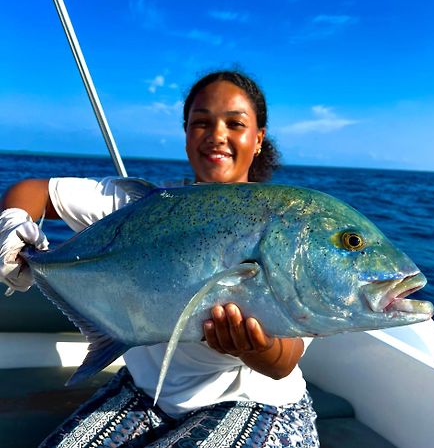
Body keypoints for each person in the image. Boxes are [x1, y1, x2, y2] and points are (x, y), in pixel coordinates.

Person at [0, 71, 319, 447]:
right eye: (201, 122)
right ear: (186, 133)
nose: (217, 134)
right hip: (146, 395)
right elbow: (33, 191)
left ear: (259, 138)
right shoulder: (138, 206)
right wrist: (11, 226)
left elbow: (282, 363)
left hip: (257, 404)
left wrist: (252, 346)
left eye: (235, 123)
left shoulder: (285, 224)